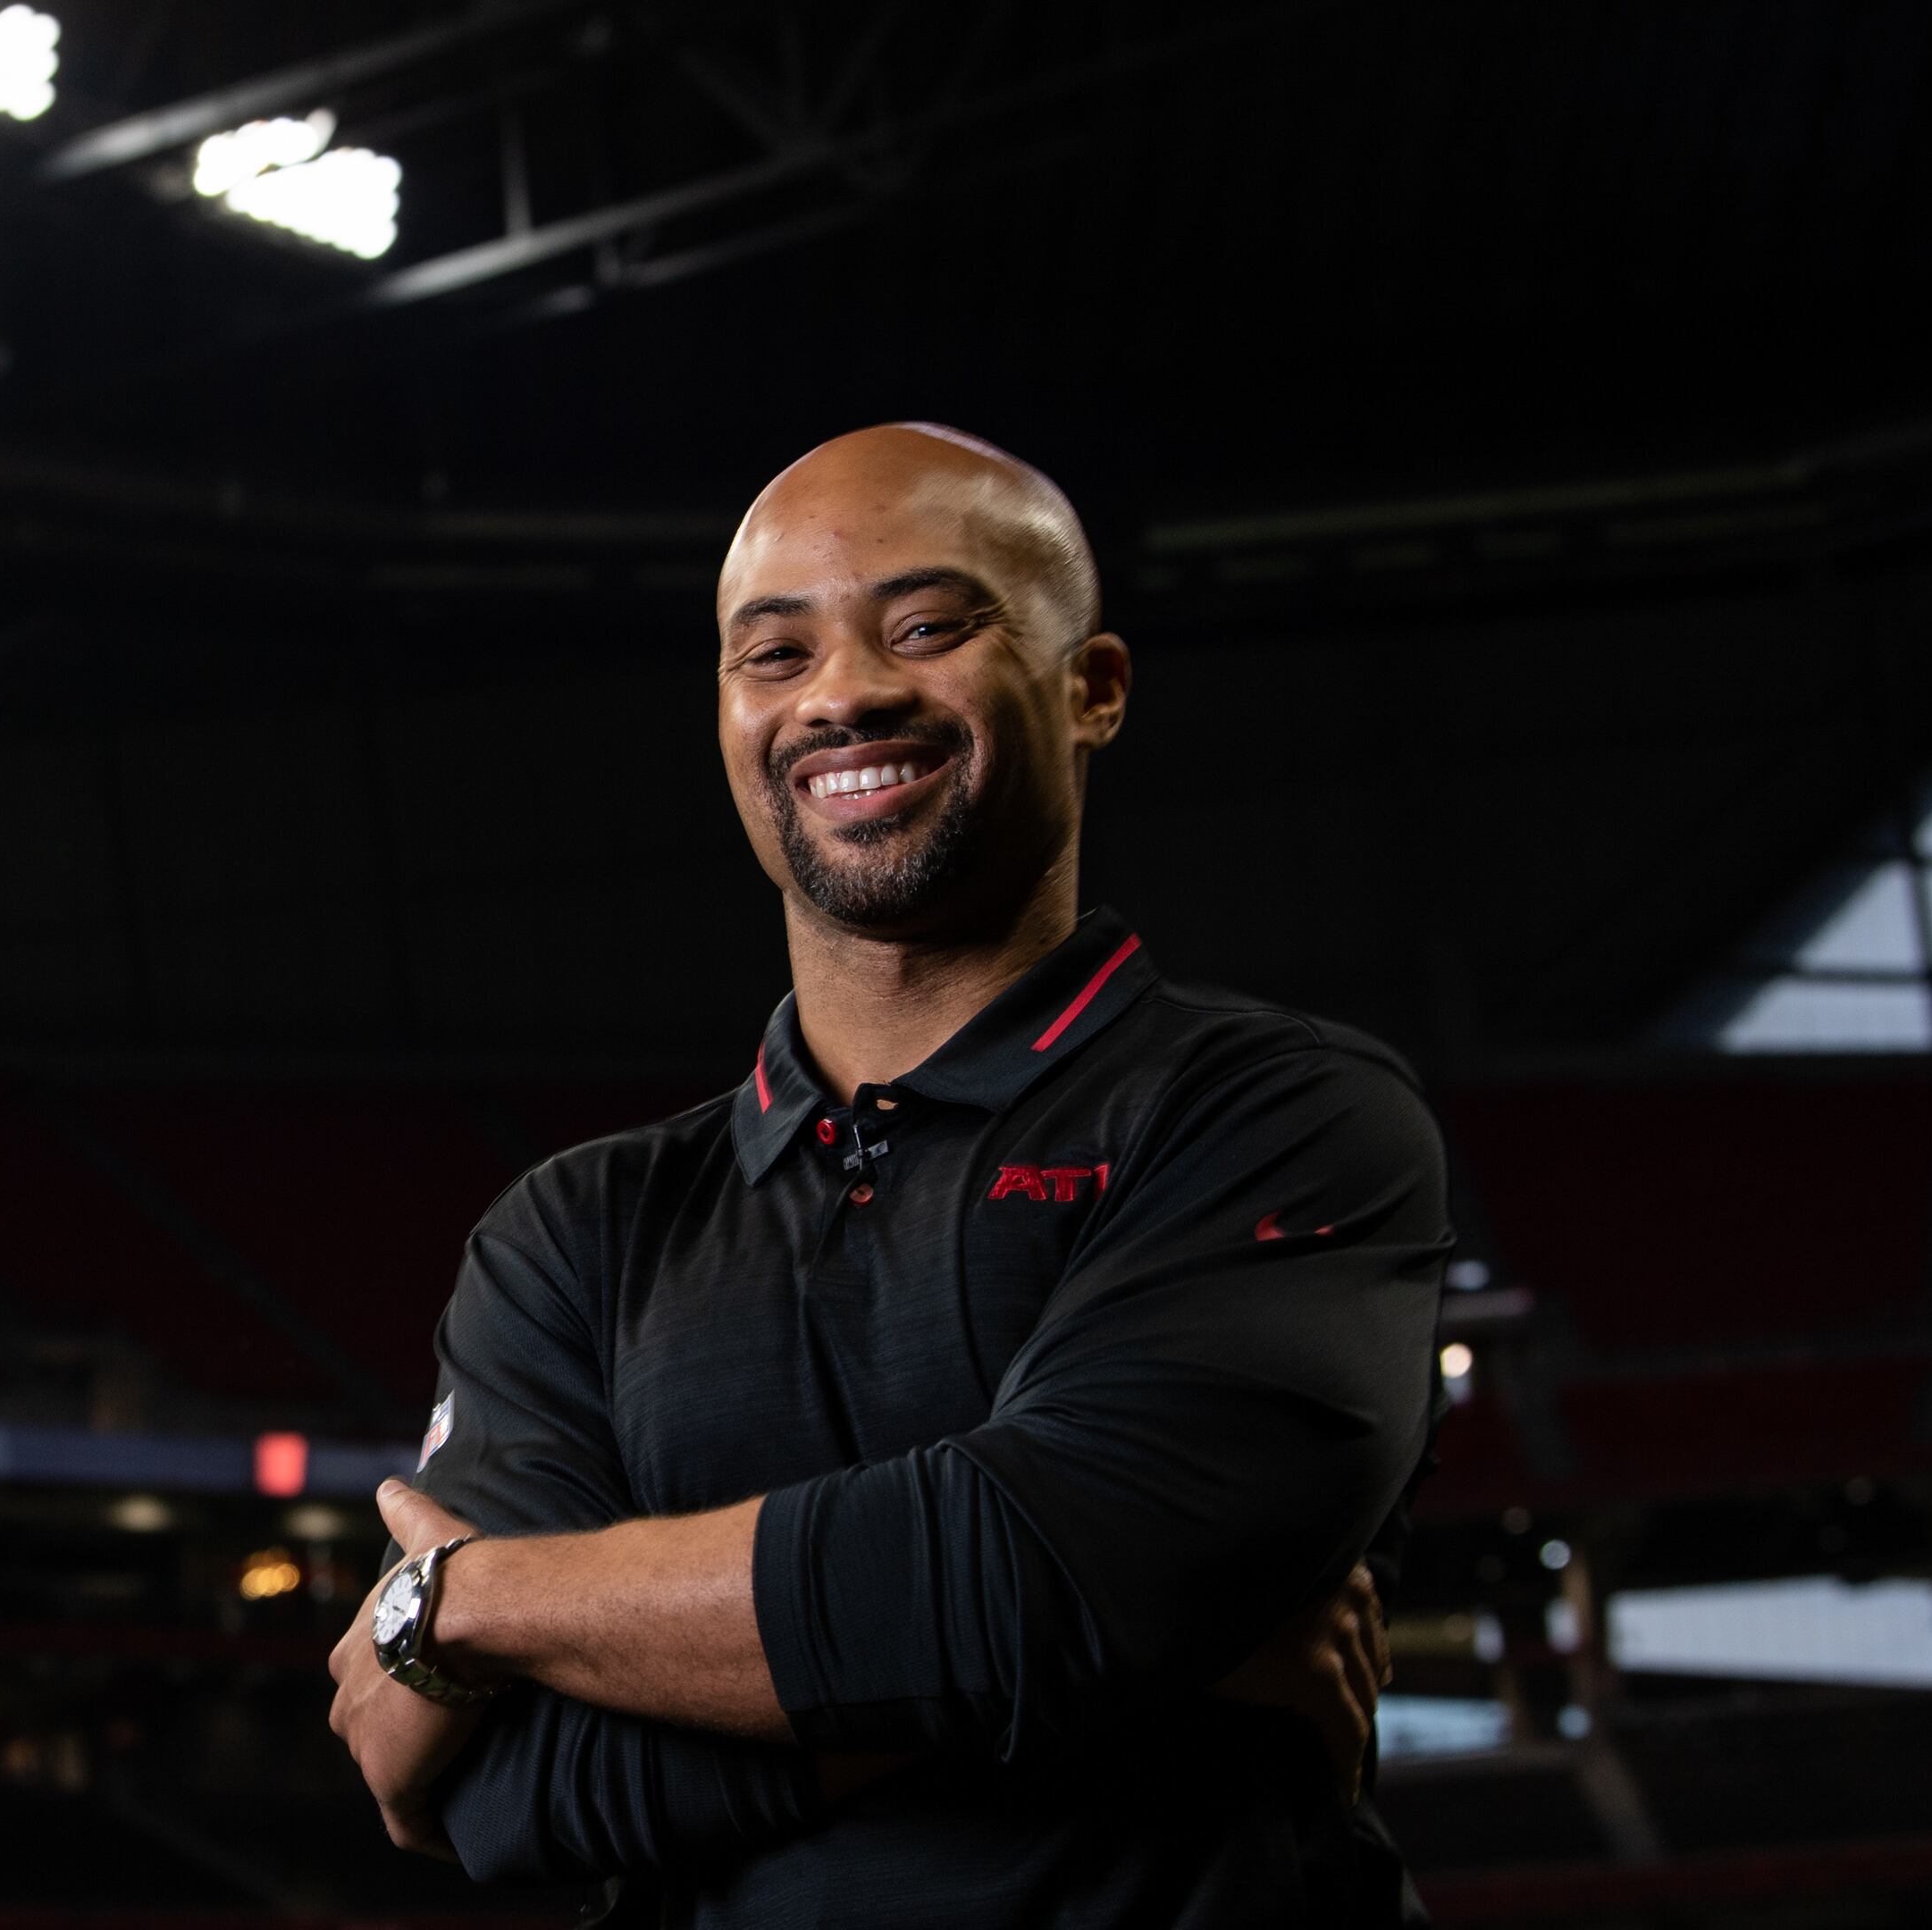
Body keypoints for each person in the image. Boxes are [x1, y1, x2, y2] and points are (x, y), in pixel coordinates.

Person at [325, 424, 1447, 1926]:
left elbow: (1046, 1583)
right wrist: (1100, 1660)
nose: (842, 694)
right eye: (772, 656)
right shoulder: (574, 1233)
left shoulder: (1280, 1113)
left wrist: (478, 1603)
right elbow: (496, 1796)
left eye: (927, 628)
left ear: (1091, 688)